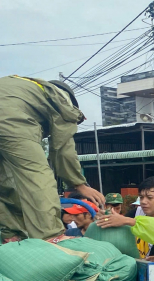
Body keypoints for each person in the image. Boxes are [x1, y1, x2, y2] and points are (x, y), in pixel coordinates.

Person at [0, 76, 104, 243]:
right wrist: (79, 184)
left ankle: (10, 235)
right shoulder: (61, 99)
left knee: (4, 182)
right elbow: (63, 149)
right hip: (8, 119)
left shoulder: (27, 88)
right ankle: (50, 236)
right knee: (37, 176)